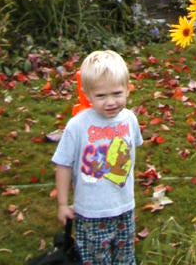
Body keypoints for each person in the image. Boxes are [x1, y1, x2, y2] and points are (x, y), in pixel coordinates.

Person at [52, 50, 142, 265]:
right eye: (101, 96)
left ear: (128, 88)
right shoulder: (78, 125)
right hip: (91, 213)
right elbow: (63, 164)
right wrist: (63, 204)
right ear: (87, 94)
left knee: (125, 258)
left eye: (117, 93)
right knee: (96, 260)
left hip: (124, 208)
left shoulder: (129, 120)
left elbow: (131, 152)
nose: (110, 102)